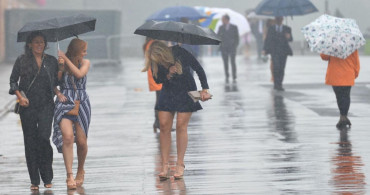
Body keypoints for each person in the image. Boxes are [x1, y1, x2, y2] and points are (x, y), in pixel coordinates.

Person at [142, 41, 211, 180]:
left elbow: (198, 68)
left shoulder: (180, 52)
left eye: (159, 59)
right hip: (168, 92)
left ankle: (180, 164)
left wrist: (204, 89)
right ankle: (165, 165)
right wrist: (168, 73)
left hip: (186, 91)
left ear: (163, 53)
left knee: (181, 126)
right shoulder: (155, 61)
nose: (157, 62)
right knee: (164, 126)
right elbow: (157, 79)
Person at [9, 32, 59, 191]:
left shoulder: (51, 61)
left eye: (42, 42)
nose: (39, 45)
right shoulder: (22, 60)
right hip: (27, 106)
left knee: (44, 138)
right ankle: (34, 180)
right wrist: (19, 97)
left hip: (46, 105)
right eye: (36, 42)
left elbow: (57, 82)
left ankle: (47, 176)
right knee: (30, 142)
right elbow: (13, 81)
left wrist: (62, 67)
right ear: (29, 44)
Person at [53, 38, 91, 190]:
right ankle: (69, 175)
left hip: (81, 102)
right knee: (67, 137)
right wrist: (61, 67)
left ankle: (80, 169)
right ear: (76, 50)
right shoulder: (63, 62)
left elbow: (79, 74)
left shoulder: (85, 62)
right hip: (65, 100)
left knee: (81, 142)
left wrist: (66, 59)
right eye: (83, 50)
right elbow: (55, 81)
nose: (85, 53)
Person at [320, 50, 360, 129]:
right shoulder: (351, 46)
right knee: (346, 96)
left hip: (335, 75)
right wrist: (355, 73)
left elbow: (324, 57)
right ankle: (344, 116)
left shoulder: (331, 45)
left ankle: (342, 116)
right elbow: (356, 62)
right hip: (348, 74)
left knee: (339, 97)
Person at [263, 16, 293, 91]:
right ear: (275, 20)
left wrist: (288, 37)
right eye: (277, 19)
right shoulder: (271, 29)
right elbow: (267, 40)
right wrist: (264, 49)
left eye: (280, 19)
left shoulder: (287, 29)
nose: (279, 20)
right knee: (276, 67)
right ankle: (276, 84)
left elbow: (291, 39)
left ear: (282, 19)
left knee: (282, 68)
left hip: (283, 52)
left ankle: (280, 83)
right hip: (274, 51)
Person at [143, 38, 162, 132]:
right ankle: (158, 122)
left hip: (154, 74)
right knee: (160, 100)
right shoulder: (154, 45)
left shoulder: (149, 44)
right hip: (157, 75)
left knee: (159, 99)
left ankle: (158, 122)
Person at [217, 14, 239, 82]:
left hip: (232, 47)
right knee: (225, 62)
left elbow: (237, 37)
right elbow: (218, 36)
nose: (222, 21)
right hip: (224, 47)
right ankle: (227, 75)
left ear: (227, 19)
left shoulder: (234, 27)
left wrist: (235, 45)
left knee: (233, 62)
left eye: (223, 19)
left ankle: (234, 76)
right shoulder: (221, 27)